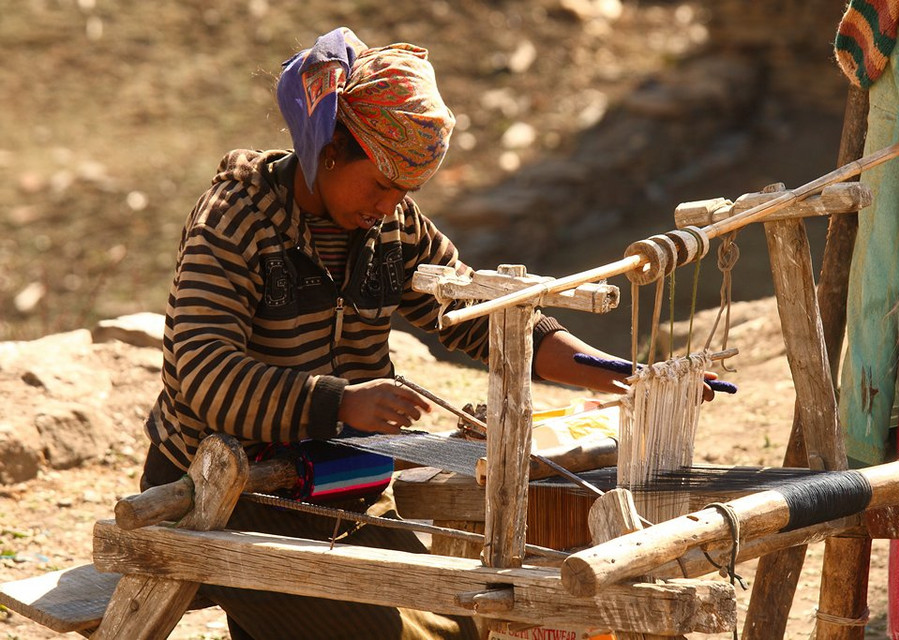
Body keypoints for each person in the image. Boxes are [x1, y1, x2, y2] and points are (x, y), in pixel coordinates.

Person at [139, 27, 711, 640]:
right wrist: (341, 402)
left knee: (461, 623)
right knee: (390, 636)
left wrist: (620, 373)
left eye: (406, 191)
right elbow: (200, 371)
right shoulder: (235, 222)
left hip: (336, 485)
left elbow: (483, 318)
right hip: (219, 497)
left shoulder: (391, 228)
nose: (390, 205)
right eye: (382, 184)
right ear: (328, 152)